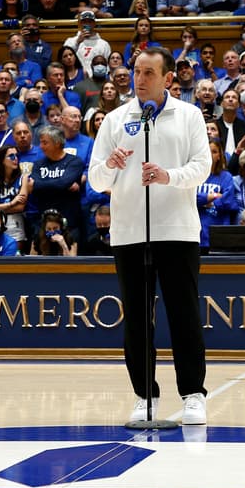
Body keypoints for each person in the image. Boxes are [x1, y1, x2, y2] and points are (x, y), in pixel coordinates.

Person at [89, 46, 211, 425]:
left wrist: (167, 176)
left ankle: (193, 394)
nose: (139, 80)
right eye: (136, 72)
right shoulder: (115, 119)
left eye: (148, 74)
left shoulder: (189, 115)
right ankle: (145, 395)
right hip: (129, 233)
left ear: (167, 78)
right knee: (138, 319)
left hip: (176, 230)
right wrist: (110, 165)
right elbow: (96, 179)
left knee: (183, 314)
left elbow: (202, 167)